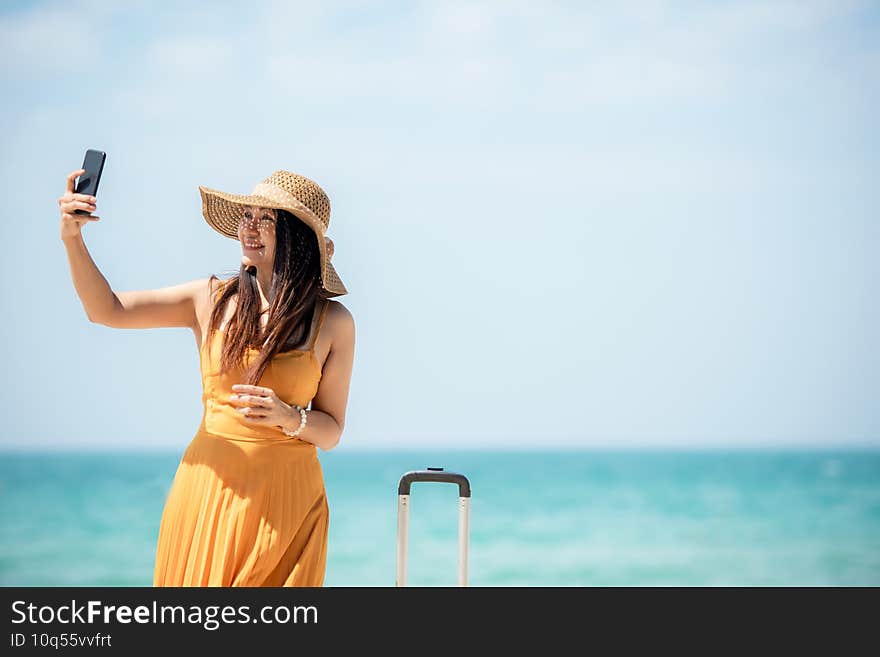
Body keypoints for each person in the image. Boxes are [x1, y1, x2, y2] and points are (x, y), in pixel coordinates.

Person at [58, 168, 356, 586]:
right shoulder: (210, 298)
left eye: (265, 219)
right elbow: (105, 309)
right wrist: (72, 238)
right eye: (246, 216)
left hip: (288, 506)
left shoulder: (334, 323)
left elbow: (332, 431)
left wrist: (289, 417)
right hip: (209, 494)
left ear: (297, 238)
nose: (248, 228)